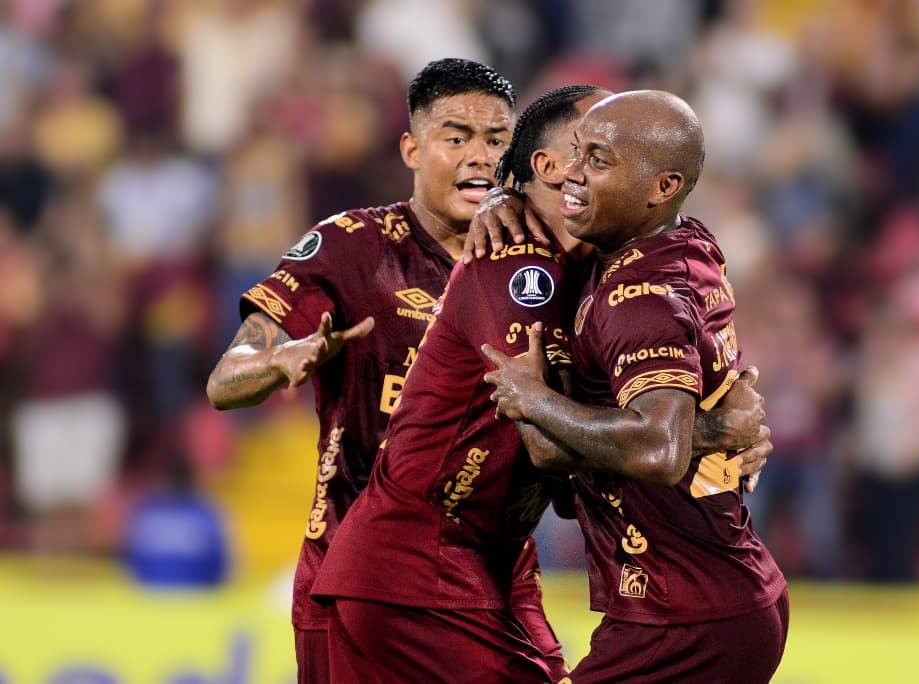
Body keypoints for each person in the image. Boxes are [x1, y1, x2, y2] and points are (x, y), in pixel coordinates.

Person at [310, 85, 774, 681]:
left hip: (489, 566)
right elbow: (548, 445)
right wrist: (710, 430)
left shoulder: (615, 261)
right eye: (583, 149)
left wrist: (704, 419)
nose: (584, 166)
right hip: (421, 569)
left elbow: (597, 452)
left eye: (601, 156)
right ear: (550, 166)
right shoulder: (520, 263)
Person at [205, 58, 570, 682]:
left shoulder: (541, 261)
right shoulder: (352, 247)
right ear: (412, 149)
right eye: (456, 138)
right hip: (357, 576)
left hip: (494, 574)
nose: (479, 158)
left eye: (496, 141)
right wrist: (279, 357)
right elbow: (224, 380)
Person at [483, 90, 788, 682]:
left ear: (662, 187)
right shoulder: (684, 241)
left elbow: (655, 449)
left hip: (684, 613)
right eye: (577, 151)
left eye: (598, 160)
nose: (572, 173)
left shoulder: (641, 298)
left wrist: (535, 400)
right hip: (714, 595)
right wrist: (503, 194)